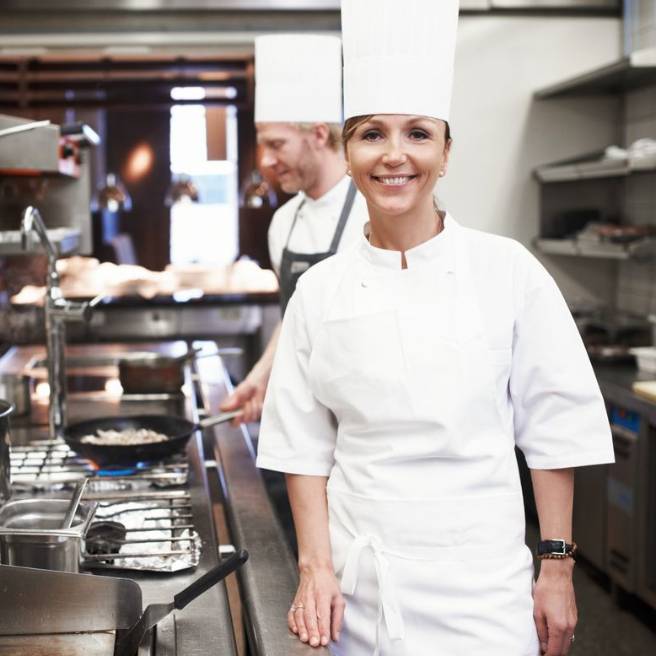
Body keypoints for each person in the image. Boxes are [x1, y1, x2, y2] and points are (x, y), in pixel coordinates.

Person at [256, 1, 615, 655]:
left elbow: (554, 426)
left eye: (418, 134)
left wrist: (558, 568)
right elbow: (301, 446)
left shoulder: (507, 270)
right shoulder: (320, 291)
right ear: (348, 152)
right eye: (372, 134)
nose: (394, 155)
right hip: (359, 591)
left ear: (446, 153)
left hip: (484, 590)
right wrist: (315, 569)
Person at [221, 34, 368, 424]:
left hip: (362, 415)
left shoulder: (373, 214)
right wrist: (260, 378)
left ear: (318, 134)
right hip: (302, 414)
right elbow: (295, 318)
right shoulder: (283, 223)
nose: (266, 161)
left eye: (277, 144)